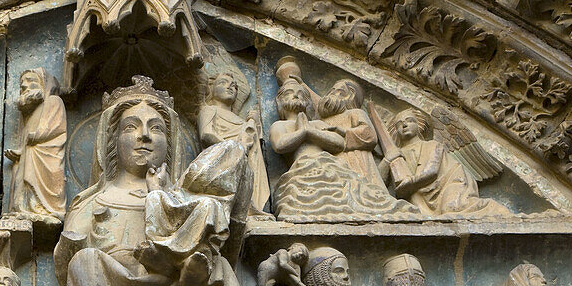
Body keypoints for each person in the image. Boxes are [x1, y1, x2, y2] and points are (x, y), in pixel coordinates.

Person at [53, 76, 249, 286]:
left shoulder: (184, 200)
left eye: (156, 128)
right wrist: (74, 246)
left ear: (169, 144)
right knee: (84, 263)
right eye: (131, 126)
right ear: (112, 140)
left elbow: (228, 232)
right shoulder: (93, 201)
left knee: (217, 269)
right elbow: (65, 267)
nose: (144, 135)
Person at [269, 71, 408, 218]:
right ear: (280, 101)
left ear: (350, 96)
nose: (296, 96)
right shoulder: (282, 125)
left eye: (340, 92)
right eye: (331, 90)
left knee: (358, 193)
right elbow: (280, 144)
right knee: (321, 199)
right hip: (311, 167)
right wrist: (304, 131)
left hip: (342, 161)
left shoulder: (330, 119)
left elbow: (344, 141)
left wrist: (314, 131)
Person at [381, 108, 509, 216]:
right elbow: (378, 182)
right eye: (399, 124)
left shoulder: (431, 145)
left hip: (447, 184)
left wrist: (407, 184)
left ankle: (494, 209)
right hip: (417, 195)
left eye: (410, 121)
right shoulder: (395, 154)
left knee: (452, 209)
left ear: (419, 125)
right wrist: (387, 160)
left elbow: (431, 172)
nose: (404, 125)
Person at [198, 71, 270, 216]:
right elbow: (206, 134)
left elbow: (254, 144)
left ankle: (252, 207)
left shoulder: (242, 121)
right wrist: (234, 148)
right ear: (211, 89)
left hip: (245, 163)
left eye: (234, 86)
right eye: (223, 82)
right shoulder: (209, 110)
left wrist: (254, 122)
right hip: (221, 160)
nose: (230, 87)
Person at [6, 68, 67, 220]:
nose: (25, 86)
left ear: (44, 84)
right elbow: (27, 137)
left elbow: (57, 127)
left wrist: (37, 136)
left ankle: (45, 209)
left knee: (49, 179)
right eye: (22, 83)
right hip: (31, 154)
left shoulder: (54, 101)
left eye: (31, 80)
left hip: (47, 154)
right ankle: (26, 208)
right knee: (23, 180)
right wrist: (20, 151)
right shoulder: (30, 111)